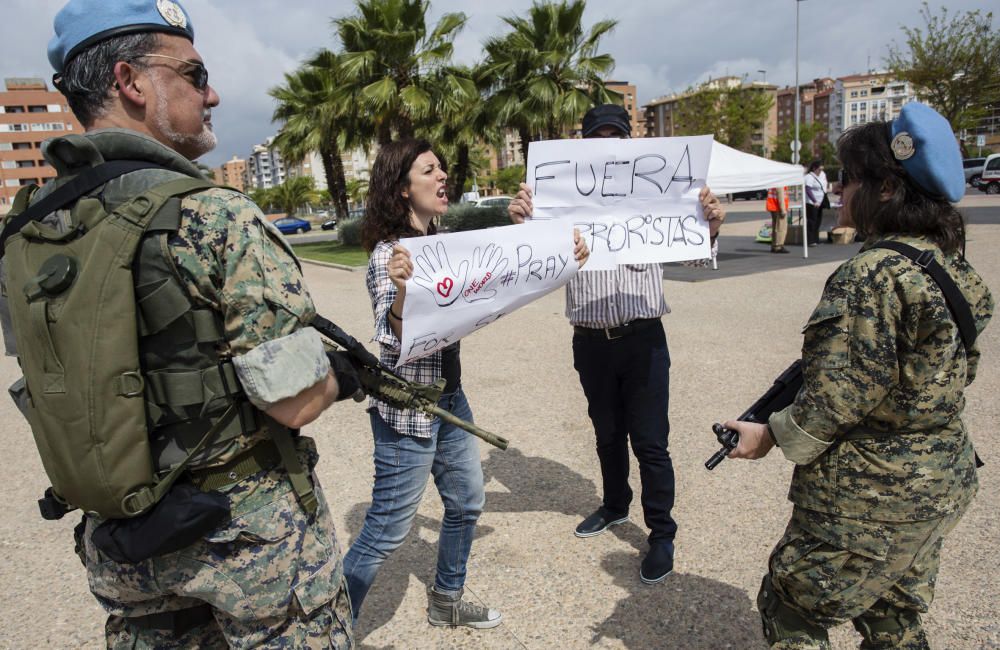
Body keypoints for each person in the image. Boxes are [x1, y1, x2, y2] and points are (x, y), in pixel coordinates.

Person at [0, 1, 355, 646]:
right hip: (249, 541)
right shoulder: (213, 214)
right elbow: (297, 402)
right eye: (195, 74)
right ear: (131, 82)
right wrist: (338, 376)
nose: (212, 93)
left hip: (124, 547)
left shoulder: (30, 230)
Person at [722, 102, 993, 648]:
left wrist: (770, 435)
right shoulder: (947, 261)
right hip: (940, 479)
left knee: (791, 605)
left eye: (851, 180)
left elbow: (839, 394)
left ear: (887, 189)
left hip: (873, 493)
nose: (842, 192)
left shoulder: (872, 274)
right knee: (893, 615)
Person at [343, 138, 589, 628]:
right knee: (387, 532)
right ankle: (324, 630)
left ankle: (446, 601)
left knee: (466, 503)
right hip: (407, 409)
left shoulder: (443, 243)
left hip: (451, 400)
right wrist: (399, 294)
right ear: (400, 188)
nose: (442, 177)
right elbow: (391, 340)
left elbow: (500, 272)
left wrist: (556, 249)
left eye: (441, 169)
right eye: (429, 170)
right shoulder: (388, 257)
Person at [507, 104, 727, 584]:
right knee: (607, 434)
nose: (608, 143)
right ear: (582, 144)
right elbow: (529, 265)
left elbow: (693, 260)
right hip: (590, 342)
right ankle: (614, 505)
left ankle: (662, 534)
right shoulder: (559, 199)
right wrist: (523, 223)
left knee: (650, 442)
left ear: (630, 143)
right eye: (598, 136)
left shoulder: (655, 193)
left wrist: (709, 226)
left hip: (642, 338)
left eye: (616, 135)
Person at [804, 160, 827, 246]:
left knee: (818, 221)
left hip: (820, 201)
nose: (820, 171)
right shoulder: (809, 177)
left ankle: (816, 239)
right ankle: (810, 240)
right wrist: (814, 201)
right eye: (819, 169)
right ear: (814, 168)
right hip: (812, 203)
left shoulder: (821, 175)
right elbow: (808, 190)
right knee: (811, 221)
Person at [766, 186, 790, 253]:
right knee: (781, 227)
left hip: (773, 206)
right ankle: (778, 245)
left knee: (775, 227)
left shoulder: (775, 181)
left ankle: (774, 245)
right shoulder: (781, 183)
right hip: (778, 208)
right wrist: (783, 209)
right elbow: (781, 197)